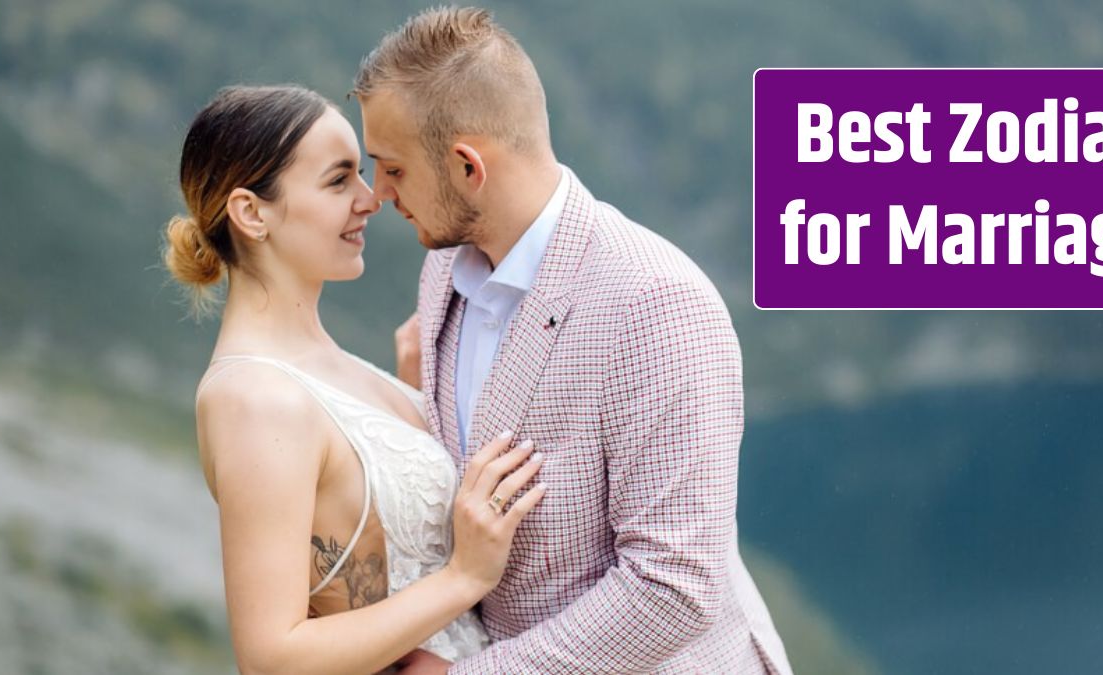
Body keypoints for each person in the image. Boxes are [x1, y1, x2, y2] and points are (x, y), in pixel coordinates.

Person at [355, 7, 792, 674]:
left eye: (393, 168)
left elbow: (673, 587)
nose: (379, 192)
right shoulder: (442, 265)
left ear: (468, 166)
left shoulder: (659, 305)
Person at [163, 84, 545, 674]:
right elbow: (272, 659)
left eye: (363, 176)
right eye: (339, 180)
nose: (371, 199)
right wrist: (464, 577)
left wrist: (418, 392)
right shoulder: (253, 399)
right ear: (251, 212)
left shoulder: (336, 369)